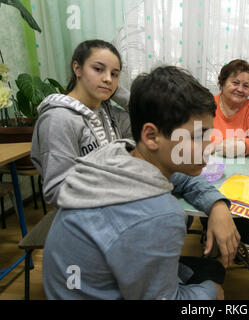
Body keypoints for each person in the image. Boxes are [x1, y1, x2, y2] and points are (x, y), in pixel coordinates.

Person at [31, 40, 240, 266]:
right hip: (93, 229)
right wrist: (141, 204)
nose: (108, 79)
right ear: (77, 68)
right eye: (98, 69)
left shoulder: (110, 113)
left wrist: (217, 204)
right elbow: (56, 192)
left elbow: (156, 125)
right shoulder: (58, 119)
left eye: (115, 74)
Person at [43, 65, 228, 300]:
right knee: (215, 285)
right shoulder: (161, 214)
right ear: (151, 136)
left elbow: (181, 179)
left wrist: (218, 205)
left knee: (210, 269)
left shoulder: (115, 154)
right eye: (197, 136)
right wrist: (213, 293)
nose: (209, 146)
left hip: (73, 287)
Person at [202, 59, 249, 262]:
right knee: (208, 194)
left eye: (246, 85)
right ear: (222, 82)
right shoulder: (207, 104)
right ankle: (210, 232)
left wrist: (242, 147)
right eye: (235, 82)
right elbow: (196, 135)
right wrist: (216, 145)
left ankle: (242, 237)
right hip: (211, 170)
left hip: (243, 172)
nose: (240, 89)